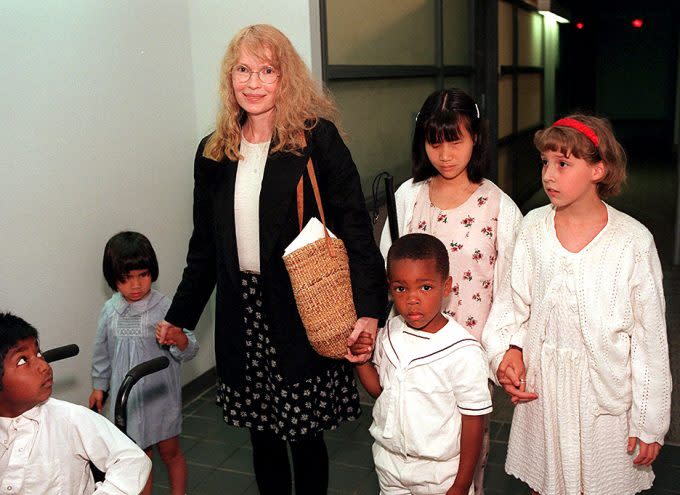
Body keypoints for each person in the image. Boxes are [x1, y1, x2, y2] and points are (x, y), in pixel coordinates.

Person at [155, 24, 387, 494]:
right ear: (230, 77)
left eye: (267, 70)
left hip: (302, 306)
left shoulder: (314, 140)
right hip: (243, 313)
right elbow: (204, 246)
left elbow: (356, 227)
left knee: (304, 437)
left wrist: (369, 310)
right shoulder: (213, 151)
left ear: (287, 78)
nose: (253, 82)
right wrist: (179, 316)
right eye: (243, 69)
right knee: (261, 437)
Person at [482, 115, 672, 495]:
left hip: (605, 404)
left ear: (598, 169)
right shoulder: (534, 227)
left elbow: (650, 342)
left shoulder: (633, 242)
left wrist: (650, 421)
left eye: (563, 164)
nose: (549, 175)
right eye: (545, 162)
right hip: (546, 395)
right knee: (545, 486)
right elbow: (512, 305)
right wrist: (507, 352)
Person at [379, 88, 522, 493]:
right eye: (434, 141)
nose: (444, 154)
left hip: (468, 357)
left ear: (475, 137)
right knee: (409, 441)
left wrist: (505, 348)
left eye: (455, 139)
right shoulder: (407, 197)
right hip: (412, 353)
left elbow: (512, 289)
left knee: (463, 459)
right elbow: (387, 267)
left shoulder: (500, 206)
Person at [0, 312, 151, 494]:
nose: (43, 365)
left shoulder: (71, 419)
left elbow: (132, 459)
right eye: (23, 360)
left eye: (38, 352)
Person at [352, 233, 491, 495]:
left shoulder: (463, 350)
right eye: (401, 288)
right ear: (390, 288)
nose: (412, 299)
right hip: (390, 465)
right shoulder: (389, 333)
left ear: (446, 286)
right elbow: (381, 393)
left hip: (440, 474)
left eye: (425, 287)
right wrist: (361, 362)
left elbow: (474, 420)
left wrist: (461, 484)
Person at [90, 231, 199, 495]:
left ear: (153, 271)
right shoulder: (110, 310)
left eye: (143, 275)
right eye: (126, 279)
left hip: (160, 396)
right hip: (127, 400)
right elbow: (102, 352)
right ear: (113, 280)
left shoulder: (164, 307)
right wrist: (98, 386)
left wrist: (178, 339)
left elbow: (190, 347)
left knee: (170, 452)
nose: (136, 285)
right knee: (138, 460)